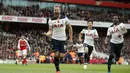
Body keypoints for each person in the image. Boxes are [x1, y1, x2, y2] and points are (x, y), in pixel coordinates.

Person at [44, 5, 73, 73]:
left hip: (63, 39)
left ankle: (58, 61)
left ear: (59, 11)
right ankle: (57, 69)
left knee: (62, 55)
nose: (56, 11)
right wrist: (47, 34)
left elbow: (70, 28)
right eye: (55, 10)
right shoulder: (51, 20)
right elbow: (50, 31)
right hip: (54, 39)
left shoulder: (64, 18)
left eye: (57, 10)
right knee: (56, 54)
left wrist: (71, 38)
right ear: (54, 11)